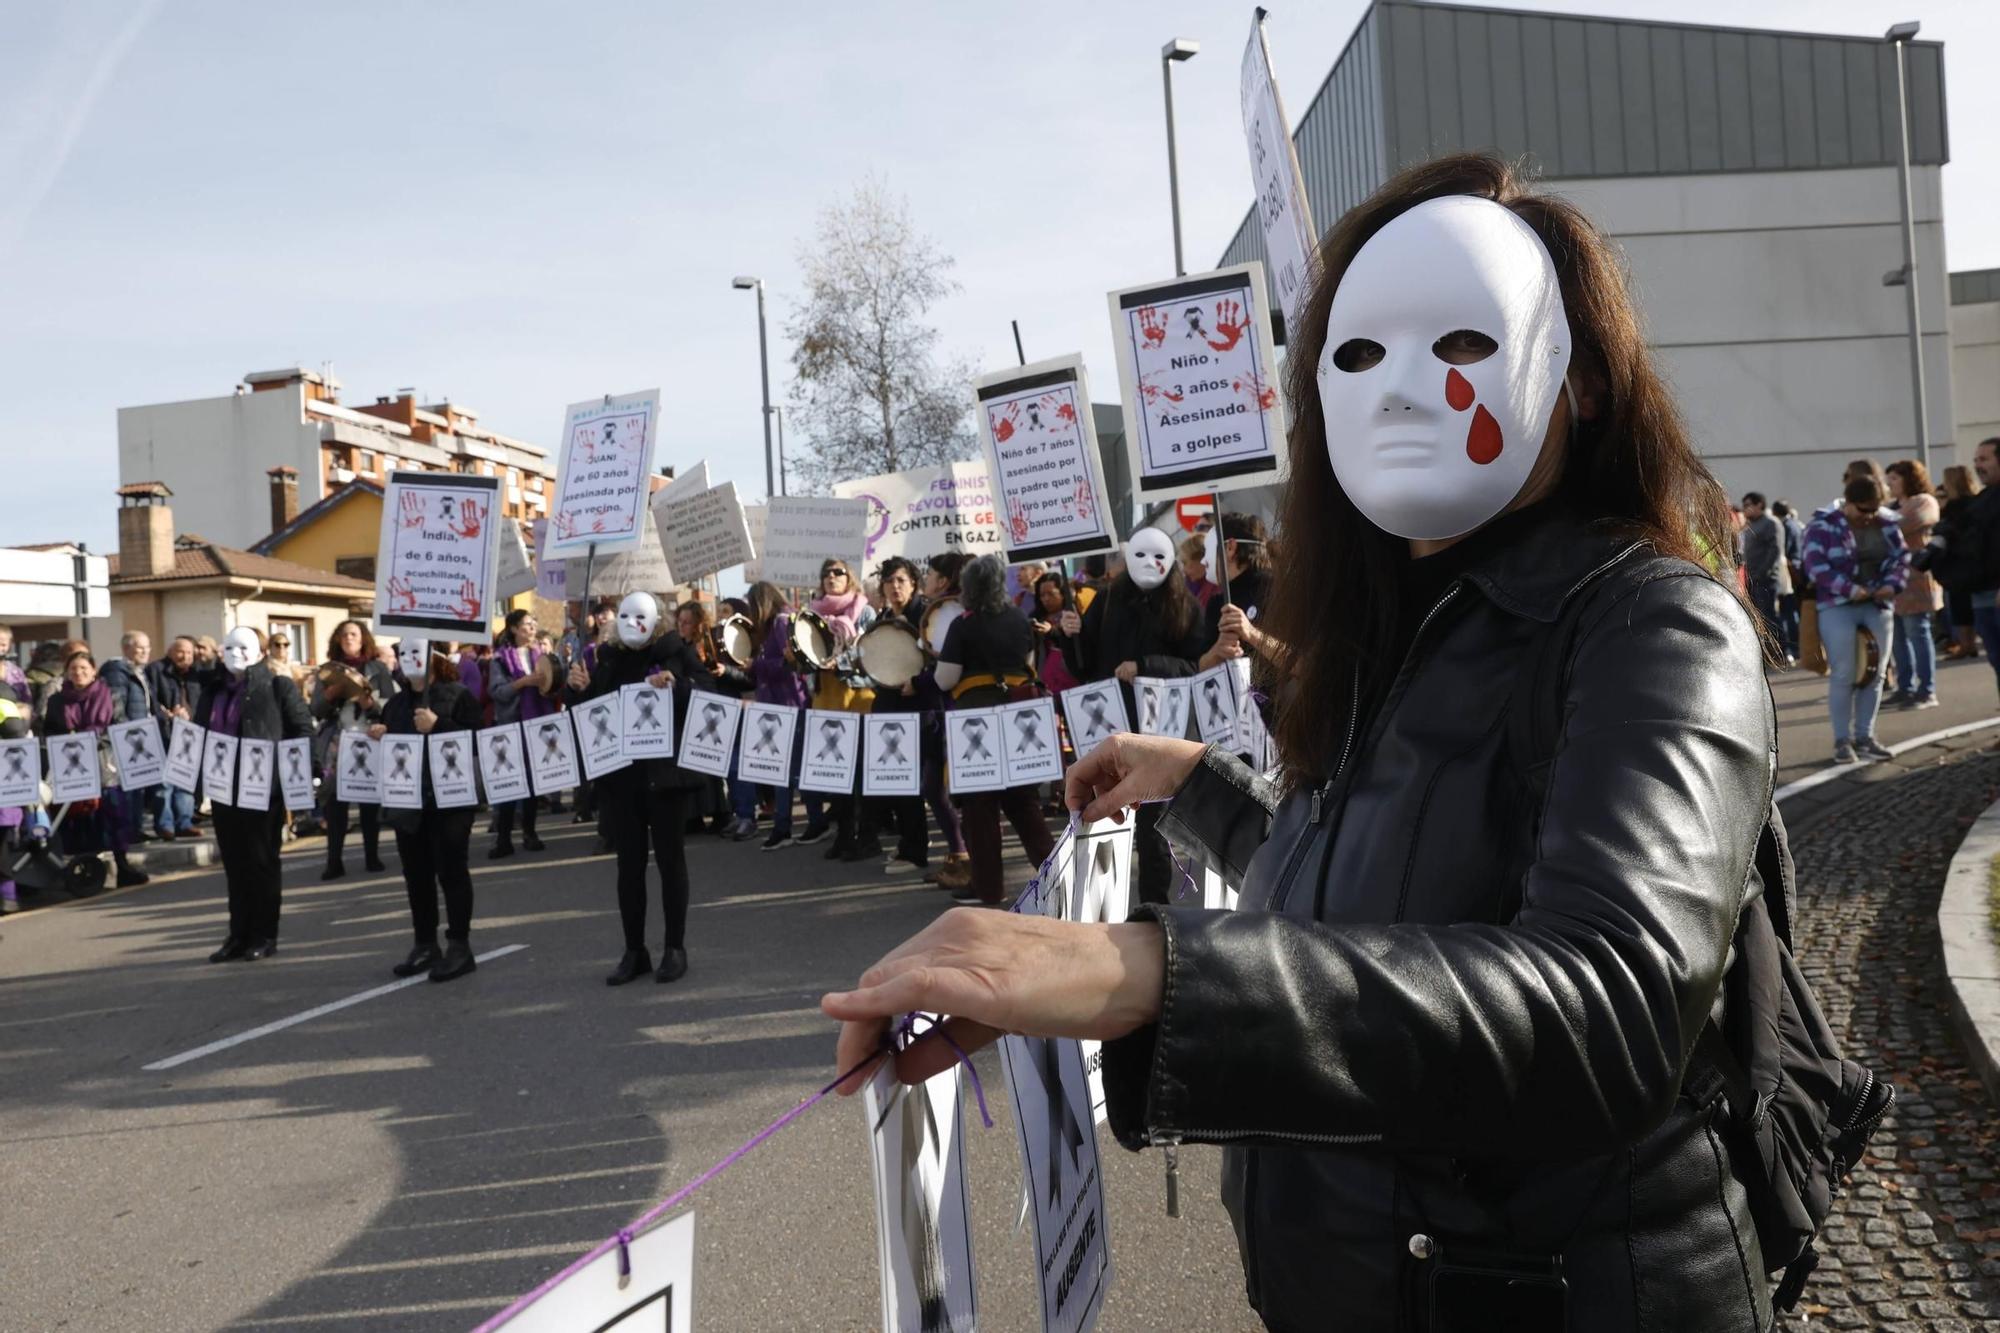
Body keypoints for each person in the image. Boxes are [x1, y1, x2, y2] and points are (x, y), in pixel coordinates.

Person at [828, 153, 1785, 1332]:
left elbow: (1612, 1006)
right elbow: (1397, 892)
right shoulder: (1396, 627)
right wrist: (1199, 790)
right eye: (1359, 354)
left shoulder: (1653, 624)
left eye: (1462, 346)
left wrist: (1135, 972)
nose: (1397, 391)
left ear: (1579, 384)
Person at [566, 593, 708, 985]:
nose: (632, 623)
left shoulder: (675, 652)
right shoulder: (607, 659)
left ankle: (674, 948)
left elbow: (707, 697)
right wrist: (577, 689)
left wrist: (674, 686)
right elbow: (592, 714)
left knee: (669, 862)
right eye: (625, 616)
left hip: (663, 779)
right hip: (621, 780)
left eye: (640, 616)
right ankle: (634, 951)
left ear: (657, 620)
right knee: (628, 866)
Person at [1077, 527, 1206, 905]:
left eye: (1159, 557)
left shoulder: (1186, 606)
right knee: (1101, 813)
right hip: (1110, 724)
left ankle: (1155, 907)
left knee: (1153, 824)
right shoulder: (1106, 601)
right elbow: (1085, 662)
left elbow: (1193, 666)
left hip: (1159, 729)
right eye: (1142, 556)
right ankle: (1098, 903)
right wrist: (1069, 636)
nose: (1150, 564)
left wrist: (1146, 666)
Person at [933, 554, 1054, 905]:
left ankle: (989, 890)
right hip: (1019, 718)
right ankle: (1060, 878)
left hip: (976, 723)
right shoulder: (1019, 618)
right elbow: (1028, 665)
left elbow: (946, 679)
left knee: (980, 810)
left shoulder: (963, 625)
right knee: (1024, 805)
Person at [197, 628, 312, 961]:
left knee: (262, 863)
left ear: (260, 653)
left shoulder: (277, 686)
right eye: (229, 646)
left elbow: (301, 729)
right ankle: (239, 934)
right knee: (234, 865)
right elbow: (203, 734)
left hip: (263, 789)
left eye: (243, 647)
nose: (235, 653)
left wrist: (302, 779)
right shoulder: (213, 691)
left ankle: (264, 935)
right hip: (223, 788)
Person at [374, 638, 482, 982]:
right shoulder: (395, 704)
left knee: (451, 871)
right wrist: (381, 734)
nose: (408, 660)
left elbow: (480, 741)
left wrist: (439, 726)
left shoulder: (458, 695)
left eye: (416, 653)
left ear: (433, 658)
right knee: (416, 875)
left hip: (449, 800)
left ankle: (459, 946)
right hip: (409, 801)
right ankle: (424, 943)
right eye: (402, 654)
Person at [1803, 476, 1908, 762]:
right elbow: (1814, 566)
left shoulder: (1886, 523)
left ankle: (1865, 736)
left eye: (1874, 509)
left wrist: (1892, 584)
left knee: (1875, 674)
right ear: (1848, 503)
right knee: (1844, 673)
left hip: (1878, 604)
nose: (1869, 516)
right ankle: (1842, 741)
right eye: (1863, 510)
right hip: (1837, 604)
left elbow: (1901, 558)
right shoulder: (1822, 525)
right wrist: (1851, 589)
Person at [40, 649, 150, 888]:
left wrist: (92, 741)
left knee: (112, 818)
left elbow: (118, 728)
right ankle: (82, 870)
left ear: (93, 671)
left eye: (83, 669)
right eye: (73, 669)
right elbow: (48, 730)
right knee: (77, 820)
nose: (78, 673)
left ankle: (122, 867)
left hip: (103, 765)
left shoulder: (109, 695)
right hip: (71, 766)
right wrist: (68, 740)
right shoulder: (57, 700)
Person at [737, 580, 822, 849]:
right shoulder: (770, 628)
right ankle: (784, 826)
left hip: (789, 704)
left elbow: (790, 663)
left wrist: (756, 665)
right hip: (774, 705)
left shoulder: (783, 623)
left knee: (794, 770)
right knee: (780, 771)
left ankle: (812, 822)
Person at [311, 619, 393, 879]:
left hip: (368, 738)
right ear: (337, 639)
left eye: (354, 634)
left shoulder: (377, 668)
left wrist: (372, 705)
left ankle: (372, 856)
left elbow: (391, 705)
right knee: (334, 803)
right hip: (338, 741)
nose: (349, 639)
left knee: (369, 800)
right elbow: (315, 709)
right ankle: (333, 860)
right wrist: (329, 695)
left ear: (363, 639)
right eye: (344, 635)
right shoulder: (326, 672)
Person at [487, 609, 557, 857]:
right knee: (509, 783)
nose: (532, 627)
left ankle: (530, 832)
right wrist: (524, 682)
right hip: (511, 725)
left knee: (532, 783)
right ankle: (504, 839)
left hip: (536, 723)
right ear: (514, 629)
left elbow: (555, 687)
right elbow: (497, 692)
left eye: (533, 623)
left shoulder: (544, 655)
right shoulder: (500, 659)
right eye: (526, 624)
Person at [1886, 459, 1942, 708]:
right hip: (1893, 583)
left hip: (1916, 580)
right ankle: (1905, 687)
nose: (1890, 484)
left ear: (1910, 478)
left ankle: (1926, 691)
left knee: (1917, 633)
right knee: (1898, 638)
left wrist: (1878, 522)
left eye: (1895, 478)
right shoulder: (1891, 507)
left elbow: (1899, 526)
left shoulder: (1923, 501)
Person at [1198, 512, 1278, 674]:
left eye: (1208, 550)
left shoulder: (1276, 589)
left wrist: (1251, 633)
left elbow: (1301, 660)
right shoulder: (1217, 603)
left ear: (1230, 547)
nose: (1203, 561)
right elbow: (1202, 668)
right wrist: (1217, 652)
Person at [98, 630, 156, 845]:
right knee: (129, 788)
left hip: (140, 735)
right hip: (128, 738)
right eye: (139, 647)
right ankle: (128, 832)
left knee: (138, 785)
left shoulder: (137, 670)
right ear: (126, 648)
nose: (145, 651)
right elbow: (116, 703)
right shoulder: (117, 670)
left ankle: (135, 828)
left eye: (147, 647)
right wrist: (126, 734)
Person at [145, 635, 202, 839]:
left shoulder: (197, 673)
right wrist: (167, 713)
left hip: (190, 733)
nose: (184, 656)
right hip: (165, 732)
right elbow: (150, 699)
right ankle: (165, 825)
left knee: (185, 782)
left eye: (188, 652)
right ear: (170, 651)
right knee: (164, 784)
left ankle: (184, 822)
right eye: (180, 651)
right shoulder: (155, 670)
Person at [1939, 465, 1984, 660]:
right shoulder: (1978, 501)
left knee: (1959, 606)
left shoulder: (1953, 506)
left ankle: (1966, 644)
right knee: (1972, 604)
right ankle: (1971, 642)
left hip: (1958, 561)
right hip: (1976, 560)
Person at [1738, 492, 1788, 655]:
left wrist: (1762, 573)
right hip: (1752, 579)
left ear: (1759, 504)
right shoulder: (1751, 525)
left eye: (1748, 505)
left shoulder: (1770, 523)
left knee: (1769, 617)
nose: (1745, 509)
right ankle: (1767, 653)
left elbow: (1775, 551)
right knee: (1759, 618)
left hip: (1766, 579)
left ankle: (1779, 652)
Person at [1030, 570, 1084, 694]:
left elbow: (1076, 644)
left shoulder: (1073, 616)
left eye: (1050, 594)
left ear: (1063, 594)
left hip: (1070, 683)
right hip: (1044, 685)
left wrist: (1051, 632)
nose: (1046, 599)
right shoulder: (1037, 618)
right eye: (1042, 595)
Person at [1772, 499, 1806, 660]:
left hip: (1791, 570)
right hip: (1797, 568)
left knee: (1789, 611)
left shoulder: (1785, 526)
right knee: (1793, 610)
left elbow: (1784, 548)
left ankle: (1795, 646)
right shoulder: (1796, 524)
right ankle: (1797, 645)